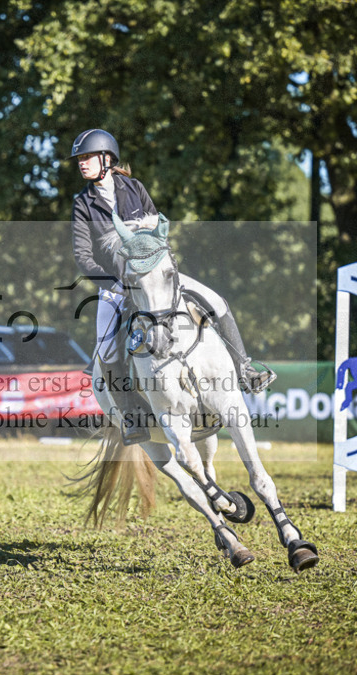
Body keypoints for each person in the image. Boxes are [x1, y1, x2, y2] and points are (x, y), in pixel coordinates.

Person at [68, 128, 275, 445]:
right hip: (116, 283)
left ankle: (245, 369)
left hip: (155, 274)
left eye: (86, 157)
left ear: (106, 158)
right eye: (79, 159)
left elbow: (158, 228)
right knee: (106, 348)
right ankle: (131, 417)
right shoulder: (82, 203)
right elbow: (82, 255)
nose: (81, 164)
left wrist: (160, 251)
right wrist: (113, 284)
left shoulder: (134, 187)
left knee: (216, 302)